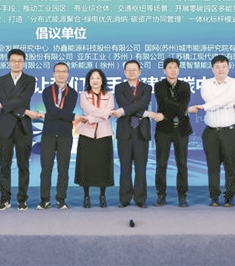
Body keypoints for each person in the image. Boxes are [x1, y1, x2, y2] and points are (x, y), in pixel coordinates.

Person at [0, 49, 41, 211]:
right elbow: (5, 100)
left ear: (24, 63)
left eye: (20, 61)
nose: (16, 63)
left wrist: (4, 106)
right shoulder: (1, 80)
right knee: (4, 166)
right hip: (5, 127)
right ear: (8, 62)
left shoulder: (30, 80)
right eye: (13, 61)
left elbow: (21, 99)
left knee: (23, 166)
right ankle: (4, 199)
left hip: (23, 127)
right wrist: (25, 111)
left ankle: (22, 200)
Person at [190, 55, 235, 207]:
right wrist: (228, 103)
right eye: (217, 67)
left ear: (228, 68)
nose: (221, 70)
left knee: (230, 166)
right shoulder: (206, 84)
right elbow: (214, 100)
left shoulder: (234, 83)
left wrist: (207, 106)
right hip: (211, 132)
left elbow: (219, 101)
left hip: (230, 131)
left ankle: (229, 197)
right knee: (213, 166)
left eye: (223, 66)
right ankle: (214, 196)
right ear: (212, 69)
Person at [112, 60, 159, 208]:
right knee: (125, 167)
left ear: (140, 72)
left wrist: (124, 111)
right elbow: (124, 103)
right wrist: (147, 113)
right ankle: (124, 199)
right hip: (124, 132)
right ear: (124, 72)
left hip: (141, 132)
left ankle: (140, 199)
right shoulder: (119, 88)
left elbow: (142, 104)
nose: (131, 72)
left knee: (141, 167)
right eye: (128, 70)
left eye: (134, 69)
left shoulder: (147, 88)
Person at [38, 62, 79, 210]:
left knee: (63, 169)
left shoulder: (73, 93)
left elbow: (59, 112)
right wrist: (71, 116)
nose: (61, 74)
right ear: (53, 74)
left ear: (68, 74)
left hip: (65, 134)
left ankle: (61, 200)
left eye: (64, 71)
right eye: (58, 71)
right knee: (46, 168)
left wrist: (51, 115)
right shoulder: (47, 91)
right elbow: (55, 111)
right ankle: (44, 200)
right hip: (48, 133)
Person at [154, 57, 192, 207]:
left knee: (182, 163)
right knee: (161, 163)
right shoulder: (159, 86)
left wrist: (166, 114)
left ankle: (182, 196)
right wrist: (180, 109)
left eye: (175, 67)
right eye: (169, 67)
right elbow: (164, 102)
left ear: (179, 70)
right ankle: (161, 195)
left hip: (181, 130)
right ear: (164, 70)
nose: (173, 70)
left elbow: (182, 107)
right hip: (163, 130)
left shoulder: (185, 86)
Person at [76, 68, 115, 208]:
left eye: (98, 78)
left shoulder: (109, 95)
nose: (95, 81)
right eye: (92, 78)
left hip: (104, 134)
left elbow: (109, 113)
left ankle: (102, 196)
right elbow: (89, 109)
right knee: (85, 166)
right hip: (86, 134)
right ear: (88, 81)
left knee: (103, 166)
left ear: (102, 80)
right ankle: (86, 196)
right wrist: (103, 113)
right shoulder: (84, 94)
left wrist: (90, 118)